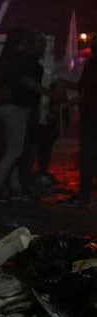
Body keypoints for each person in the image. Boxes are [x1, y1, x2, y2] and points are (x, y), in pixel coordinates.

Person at [0, 29, 61, 202]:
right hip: (17, 110)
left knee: (13, 149)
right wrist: (49, 93)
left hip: (6, 109)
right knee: (15, 150)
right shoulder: (25, 62)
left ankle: (16, 188)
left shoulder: (6, 60)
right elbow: (27, 82)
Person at [64, 55, 96, 207]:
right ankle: (85, 194)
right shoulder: (90, 66)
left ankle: (84, 195)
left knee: (88, 156)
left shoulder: (91, 66)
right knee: (88, 156)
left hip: (91, 117)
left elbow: (83, 92)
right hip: (90, 115)